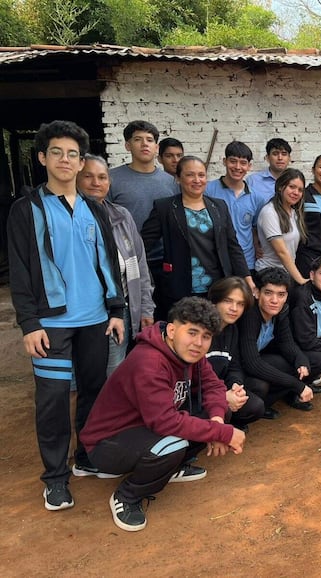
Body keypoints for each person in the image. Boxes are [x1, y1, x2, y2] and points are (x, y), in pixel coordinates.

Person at [8, 120, 125, 511]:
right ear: (42, 158)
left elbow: (109, 262)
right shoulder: (26, 210)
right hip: (52, 325)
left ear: (80, 162)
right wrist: (29, 324)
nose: (65, 159)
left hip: (94, 319)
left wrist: (116, 309)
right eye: (56, 152)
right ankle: (55, 478)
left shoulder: (95, 209)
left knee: (94, 390)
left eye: (72, 153)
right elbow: (21, 270)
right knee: (54, 400)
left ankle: (87, 456)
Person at [80, 297, 246, 531]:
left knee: (220, 411)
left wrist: (218, 422)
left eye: (206, 336)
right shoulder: (149, 362)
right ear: (171, 329)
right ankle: (127, 496)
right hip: (107, 443)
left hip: (146, 429)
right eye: (192, 332)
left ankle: (172, 466)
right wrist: (221, 432)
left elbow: (215, 386)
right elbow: (164, 422)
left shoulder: (190, 354)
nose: (198, 343)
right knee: (174, 443)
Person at [141, 156, 253, 321]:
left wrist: (247, 278)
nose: (197, 180)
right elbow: (142, 245)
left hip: (217, 286)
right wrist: (157, 272)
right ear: (178, 178)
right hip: (179, 287)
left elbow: (232, 245)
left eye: (201, 175)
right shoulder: (165, 207)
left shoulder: (219, 206)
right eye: (190, 175)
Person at [77, 154, 155, 375]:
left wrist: (146, 308)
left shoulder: (121, 216)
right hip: (89, 315)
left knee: (117, 373)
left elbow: (140, 265)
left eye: (102, 177)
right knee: (90, 377)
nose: (96, 183)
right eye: (88, 176)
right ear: (76, 179)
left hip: (124, 310)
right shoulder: (70, 218)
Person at [239, 267, 321, 414]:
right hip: (239, 370)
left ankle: (281, 398)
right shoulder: (250, 314)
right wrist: (297, 385)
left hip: (260, 360)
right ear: (257, 293)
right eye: (268, 293)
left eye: (281, 294)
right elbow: (251, 363)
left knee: (308, 363)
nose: (275, 300)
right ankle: (250, 412)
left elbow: (287, 343)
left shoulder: (281, 311)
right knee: (260, 385)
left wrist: (300, 360)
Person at [108, 121, 178, 291]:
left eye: (149, 139)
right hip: (127, 261)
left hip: (164, 259)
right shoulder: (111, 179)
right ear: (127, 145)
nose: (144, 144)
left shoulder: (170, 182)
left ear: (156, 147)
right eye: (138, 139)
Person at [206, 277, 264, 428]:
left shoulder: (232, 329)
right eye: (228, 301)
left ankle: (228, 424)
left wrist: (235, 387)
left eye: (240, 304)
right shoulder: (201, 332)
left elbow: (234, 367)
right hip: (199, 395)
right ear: (214, 301)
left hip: (220, 388)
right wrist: (223, 397)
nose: (234, 308)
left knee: (255, 405)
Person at [205, 141, 264, 272]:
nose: (237, 167)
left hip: (246, 262)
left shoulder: (257, 197)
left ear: (249, 166)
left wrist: (257, 247)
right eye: (233, 161)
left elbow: (255, 228)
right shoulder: (208, 190)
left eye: (243, 163)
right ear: (224, 161)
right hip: (216, 261)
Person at [253, 168, 308, 285]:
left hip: (286, 274)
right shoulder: (270, 212)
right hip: (268, 274)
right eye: (291, 187)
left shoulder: (294, 213)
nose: (296, 192)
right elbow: (281, 252)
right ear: (280, 187)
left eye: (300, 190)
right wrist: (301, 280)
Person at [246, 137, 292, 206]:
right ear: (267, 158)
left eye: (284, 154)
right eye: (275, 154)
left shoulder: (295, 181)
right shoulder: (253, 181)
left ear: (289, 158)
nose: (280, 158)